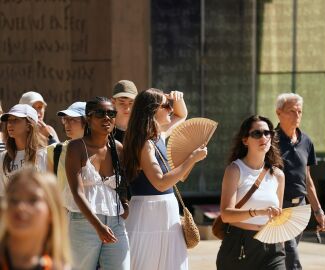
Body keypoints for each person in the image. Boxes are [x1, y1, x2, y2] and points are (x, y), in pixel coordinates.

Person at [123, 88, 206, 270]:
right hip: (148, 213)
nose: (170, 109)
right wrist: (192, 158)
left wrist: (177, 98)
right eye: (166, 106)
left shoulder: (157, 135)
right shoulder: (144, 144)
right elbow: (160, 183)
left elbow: (182, 114)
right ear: (152, 110)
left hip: (165, 210)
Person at [65, 97, 130, 270]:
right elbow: (76, 192)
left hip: (115, 221)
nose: (106, 117)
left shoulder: (118, 148)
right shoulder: (76, 147)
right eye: (100, 113)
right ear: (88, 118)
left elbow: (123, 181)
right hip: (83, 222)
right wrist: (98, 226)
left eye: (111, 113)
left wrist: (125, 203)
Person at [216, 115, 286, 270]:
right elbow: (226, 214)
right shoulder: (235, 170)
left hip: (272, 246)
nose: (264, 137)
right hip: (240, 244)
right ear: (245, 140)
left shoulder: (278, 175)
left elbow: (277, 217)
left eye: (268, 133)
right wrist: (258, 212)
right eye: (257, 133)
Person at [275, 93, 325, 270]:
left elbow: (307, 179)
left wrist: (318, 211)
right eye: (291, 111)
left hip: (300, 208)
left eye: (300, 111)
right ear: (278, 113)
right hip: (278, 208)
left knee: (284, 255)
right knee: (291, 254)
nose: (297, 115)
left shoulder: (306, 141)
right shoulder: (269, 141)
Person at [0, 167, 71, 269]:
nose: (20, 207)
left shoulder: (58, 267)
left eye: (33, 200)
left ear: (51, 211)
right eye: (14, 199)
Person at [0, 104, 47, 197]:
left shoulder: (44, 154)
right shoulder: (3, 157)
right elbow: (2, 195)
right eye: (9, 120)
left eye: (16, 120)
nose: (10, 124)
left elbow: (49, 192)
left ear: (29, 126)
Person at [46, 102, 86, 204]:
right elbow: (50, 188)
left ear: (86, 121)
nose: (67, 124)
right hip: (65, 214)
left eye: (72, 119)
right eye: (65, 119)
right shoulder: (54, 150)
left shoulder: (99, 150)